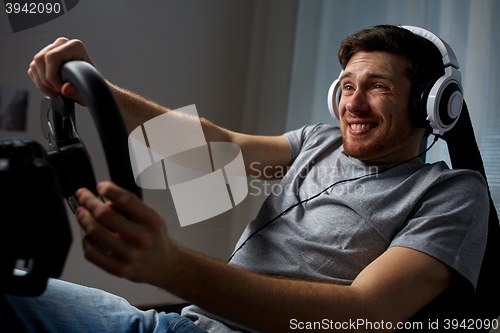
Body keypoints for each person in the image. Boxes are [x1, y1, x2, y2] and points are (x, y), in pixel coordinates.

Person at [1, 25, 489, 332]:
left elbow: (363, 313)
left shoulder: (451, 194)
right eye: (346, 87)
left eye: (377, 87)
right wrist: (96, 89)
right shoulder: (318, 141)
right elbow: (215, 152)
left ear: (432, 103)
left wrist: (171, 267)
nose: (353, 105)